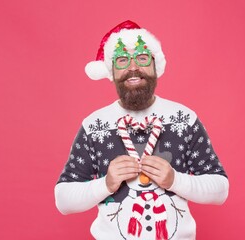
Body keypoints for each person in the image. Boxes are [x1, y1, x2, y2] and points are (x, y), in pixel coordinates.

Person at [55, 20, 229, 240]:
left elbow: (220, 190)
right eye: (122, 60)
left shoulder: (184, 119)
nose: (133, 67)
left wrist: (175, 180)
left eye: (142, 57)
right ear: (112, 71)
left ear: (156, 65)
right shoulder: (94, 125)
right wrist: (106, 184)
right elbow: (63, 200)